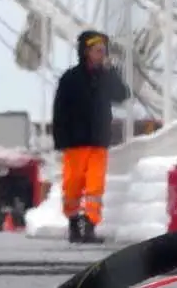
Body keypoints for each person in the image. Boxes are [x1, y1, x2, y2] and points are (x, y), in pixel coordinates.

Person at [52, 29, 130, 244]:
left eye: (103, 51)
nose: (101, 55)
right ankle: (73, 222)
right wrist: (60, 139)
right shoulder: (70, 79)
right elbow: (60, 109)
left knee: (95, 186)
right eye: (97, 51)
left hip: (98, 140)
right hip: (75, 142)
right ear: (86, 52)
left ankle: (90, 225)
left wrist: (112, 72)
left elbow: (122, 95)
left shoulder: (105, 78)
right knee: (73, 184)